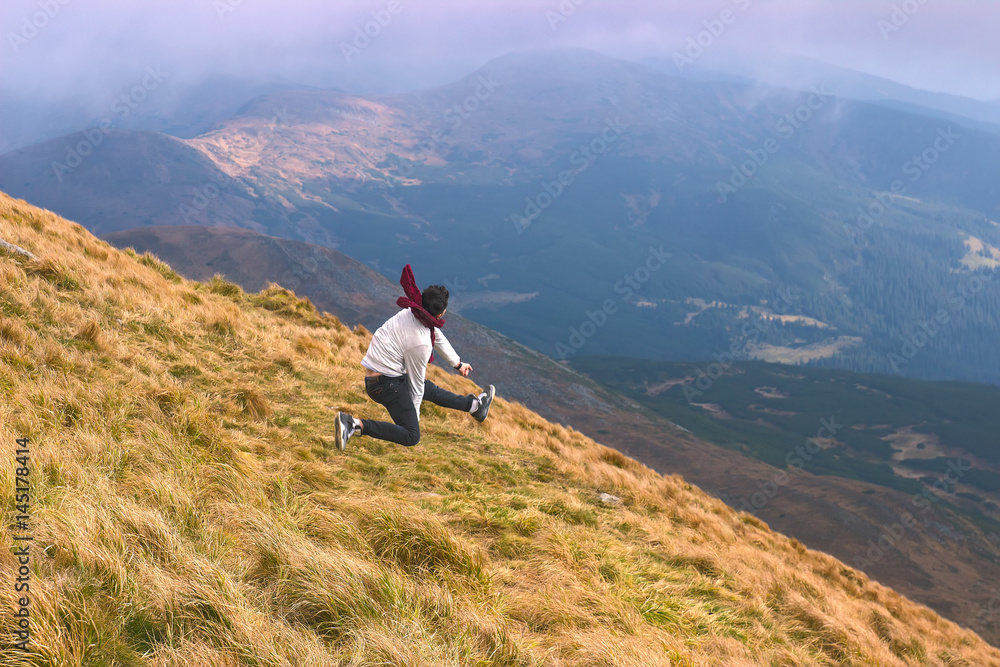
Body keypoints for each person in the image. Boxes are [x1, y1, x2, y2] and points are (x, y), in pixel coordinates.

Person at [335, 265, 495, 450]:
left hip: (380, 377)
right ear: (441, 313)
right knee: (411, 435)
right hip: (384, 384)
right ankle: (353, 424)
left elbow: (433, 333)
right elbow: (416, 385)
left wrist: (457, 363)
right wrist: (414, 417)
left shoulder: (413, 312)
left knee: (431, 390)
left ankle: (476, 406)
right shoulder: (420, 343)